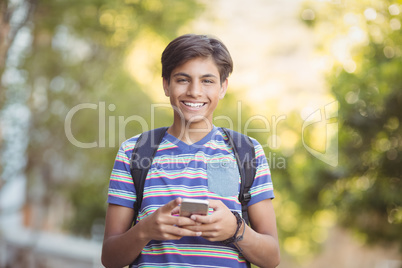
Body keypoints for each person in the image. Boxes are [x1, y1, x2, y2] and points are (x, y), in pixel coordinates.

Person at [101, 34, 280, 268]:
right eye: (183, 79)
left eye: (207, 81)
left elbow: (272, 258)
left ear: (223, 87)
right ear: (166, 84)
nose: (195, 91)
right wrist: (145, 230)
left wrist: (236, 230)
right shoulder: (133, 152)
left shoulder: (248, 153)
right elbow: (110, 258)